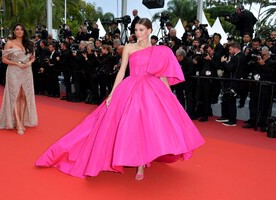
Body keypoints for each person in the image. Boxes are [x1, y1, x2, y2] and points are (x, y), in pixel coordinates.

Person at [35, 18, 204, 180]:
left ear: (150, 31)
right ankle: (139, 161)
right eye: (136, 30)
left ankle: (142, 162)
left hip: (152, 88)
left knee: (148, 125)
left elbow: (162, 76)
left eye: (141, 30)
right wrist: (113, 93)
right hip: (131, 88)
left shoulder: (159, 50)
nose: (138, 33)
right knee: (132, 125)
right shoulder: (129, 47)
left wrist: (169, 96)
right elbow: (122, 71)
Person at [0, 24, 38, 135]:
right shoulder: (9, 43)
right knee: (15, 96)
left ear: (24, 31)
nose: (19, 31)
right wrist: (17, 63)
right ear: (14, 31)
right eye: (17, 29)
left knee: (24, 96)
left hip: (27, 71)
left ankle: (22, 121)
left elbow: (33, 57)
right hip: (14, 71)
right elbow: (4, 59)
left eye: (21, 29)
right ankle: (18, 123)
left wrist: (29, 62)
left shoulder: (29, 44)